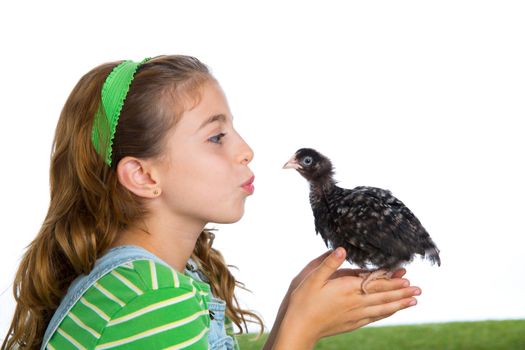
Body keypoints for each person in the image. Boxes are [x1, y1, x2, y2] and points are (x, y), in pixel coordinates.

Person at [2, 55, 421, 350]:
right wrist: (302, 328)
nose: (247, 150)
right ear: (144, 176)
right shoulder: (149, 299)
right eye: (216, 137)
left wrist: (293, 311)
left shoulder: (170, 279)